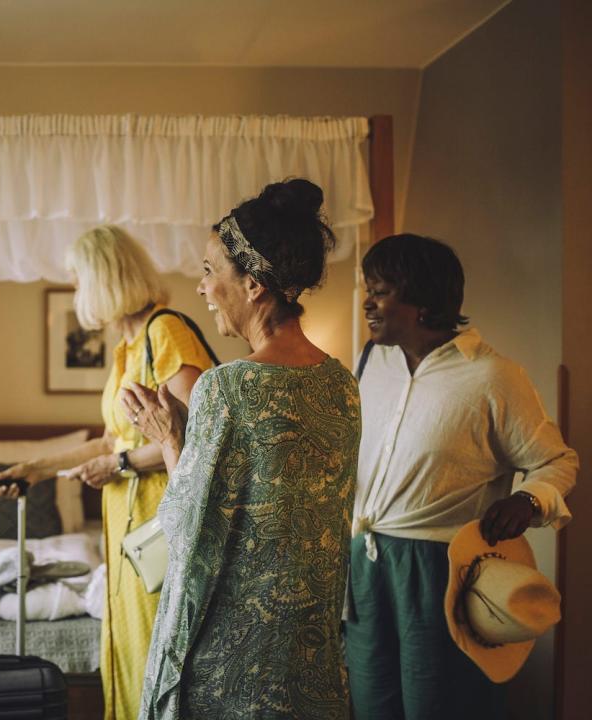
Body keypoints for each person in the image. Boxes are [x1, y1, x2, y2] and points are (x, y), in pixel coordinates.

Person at [124, 179, 361, 720]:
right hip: (310, 659)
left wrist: (169, 437)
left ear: (253, 284)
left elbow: (189, 530)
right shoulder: (341, 384)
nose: (203, 288)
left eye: (210, 271)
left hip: (235, 663)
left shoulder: (228, 387)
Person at [345, 233, 578, 720]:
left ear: (424, 303)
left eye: (381, 290)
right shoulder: (370, 362)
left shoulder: (493, 376)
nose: (367, 302)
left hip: (439, 568)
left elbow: (556, 461)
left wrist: (529, 502)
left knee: (439, 705)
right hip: (365, 565)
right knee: (370, 703)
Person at [0, 225, 216, 720]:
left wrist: (117, 465)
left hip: (161, 525)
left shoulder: (166, 332)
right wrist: (37, 469)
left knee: (158, 663)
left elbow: (195, 435)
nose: (76, 293)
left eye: (77, 280)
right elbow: (115, 440)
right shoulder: (128, 348)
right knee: (133, 656)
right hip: (127, 529)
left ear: (103, 278)